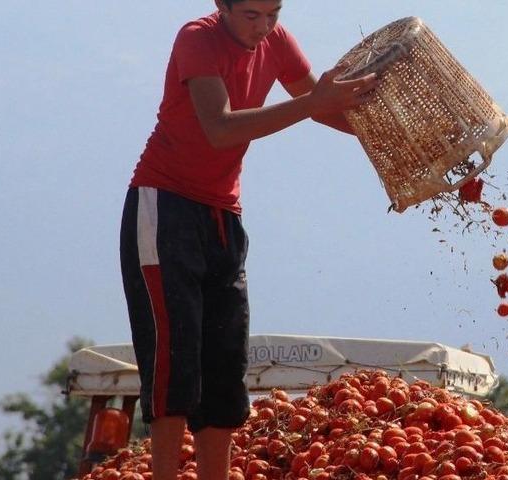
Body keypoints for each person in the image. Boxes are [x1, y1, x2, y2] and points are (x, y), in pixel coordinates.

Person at [119, 1, 377, 479]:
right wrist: (311, 105)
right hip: (165, 207)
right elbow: (220, 127)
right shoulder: (196, 38)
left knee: (223, 372)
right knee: (174, 370)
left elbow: (323, 108)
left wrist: (389, 135)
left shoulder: (276, 41)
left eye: (273, 14)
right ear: (222, 5)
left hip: (224, 216)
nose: (263, 27)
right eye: (251, 15)